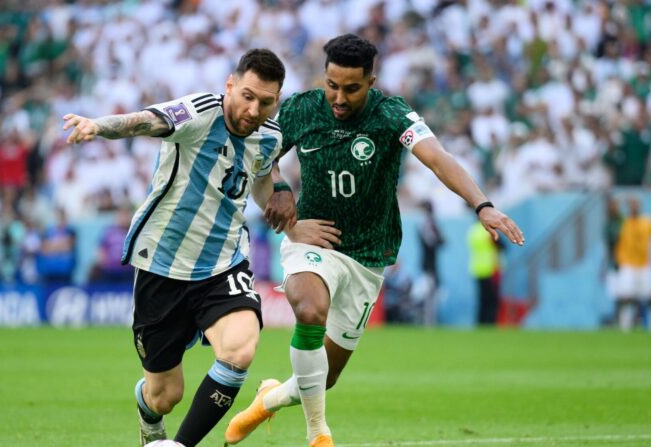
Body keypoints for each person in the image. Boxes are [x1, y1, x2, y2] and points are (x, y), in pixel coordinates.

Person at [225, 34, 524, 447]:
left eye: (351, 88)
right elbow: (261, 158)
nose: (339, 98)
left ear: (371, 81)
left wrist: (482, 205)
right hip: (315, 239)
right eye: (332, 85)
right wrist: (280, 189)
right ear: (324, 77)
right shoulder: (301, 109)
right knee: (308, 309)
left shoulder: (391, 115)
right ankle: (319, 436)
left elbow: (437, 157)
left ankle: (267, 400)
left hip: (369, 255)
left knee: (321, 379)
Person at [62, 49, 295, 447]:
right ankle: (148, 413)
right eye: (248, 96)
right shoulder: (199, 111)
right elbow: (146, 121)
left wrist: (280, 195)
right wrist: (98, 126)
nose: (254, 109)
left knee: (239, 350)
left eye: (266, 102)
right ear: (230, 86)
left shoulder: (270, 136)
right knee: (165, 396)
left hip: (223, 262)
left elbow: (258, 178)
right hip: (161, 265)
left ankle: (180, 445)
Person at [614, 197, 651, 332]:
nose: (634, 207)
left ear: (640, 206)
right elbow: (613, 210)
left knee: (650, 297)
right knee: (626, 296)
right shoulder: (623, 222)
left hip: (644, 264)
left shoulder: (647, 222)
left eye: (636, 204)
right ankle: (625, 327)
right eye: (632, 205)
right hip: (628, 263)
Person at [467, 220, 502, 325]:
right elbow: (501, 246)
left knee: (482, 300)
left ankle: (480, 323)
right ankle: (490, 323)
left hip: (477, 269)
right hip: (490, 269)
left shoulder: (473, 230)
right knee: (492, 300)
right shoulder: (489, 231)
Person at [417, 200, 444, 325]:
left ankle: (429, 321)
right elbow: (435, 241)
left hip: (429, 264)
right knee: (429, 294)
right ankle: (428, 321)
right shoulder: (427, 224)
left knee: (431, 293)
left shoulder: (426, 223)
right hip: (429, 264)